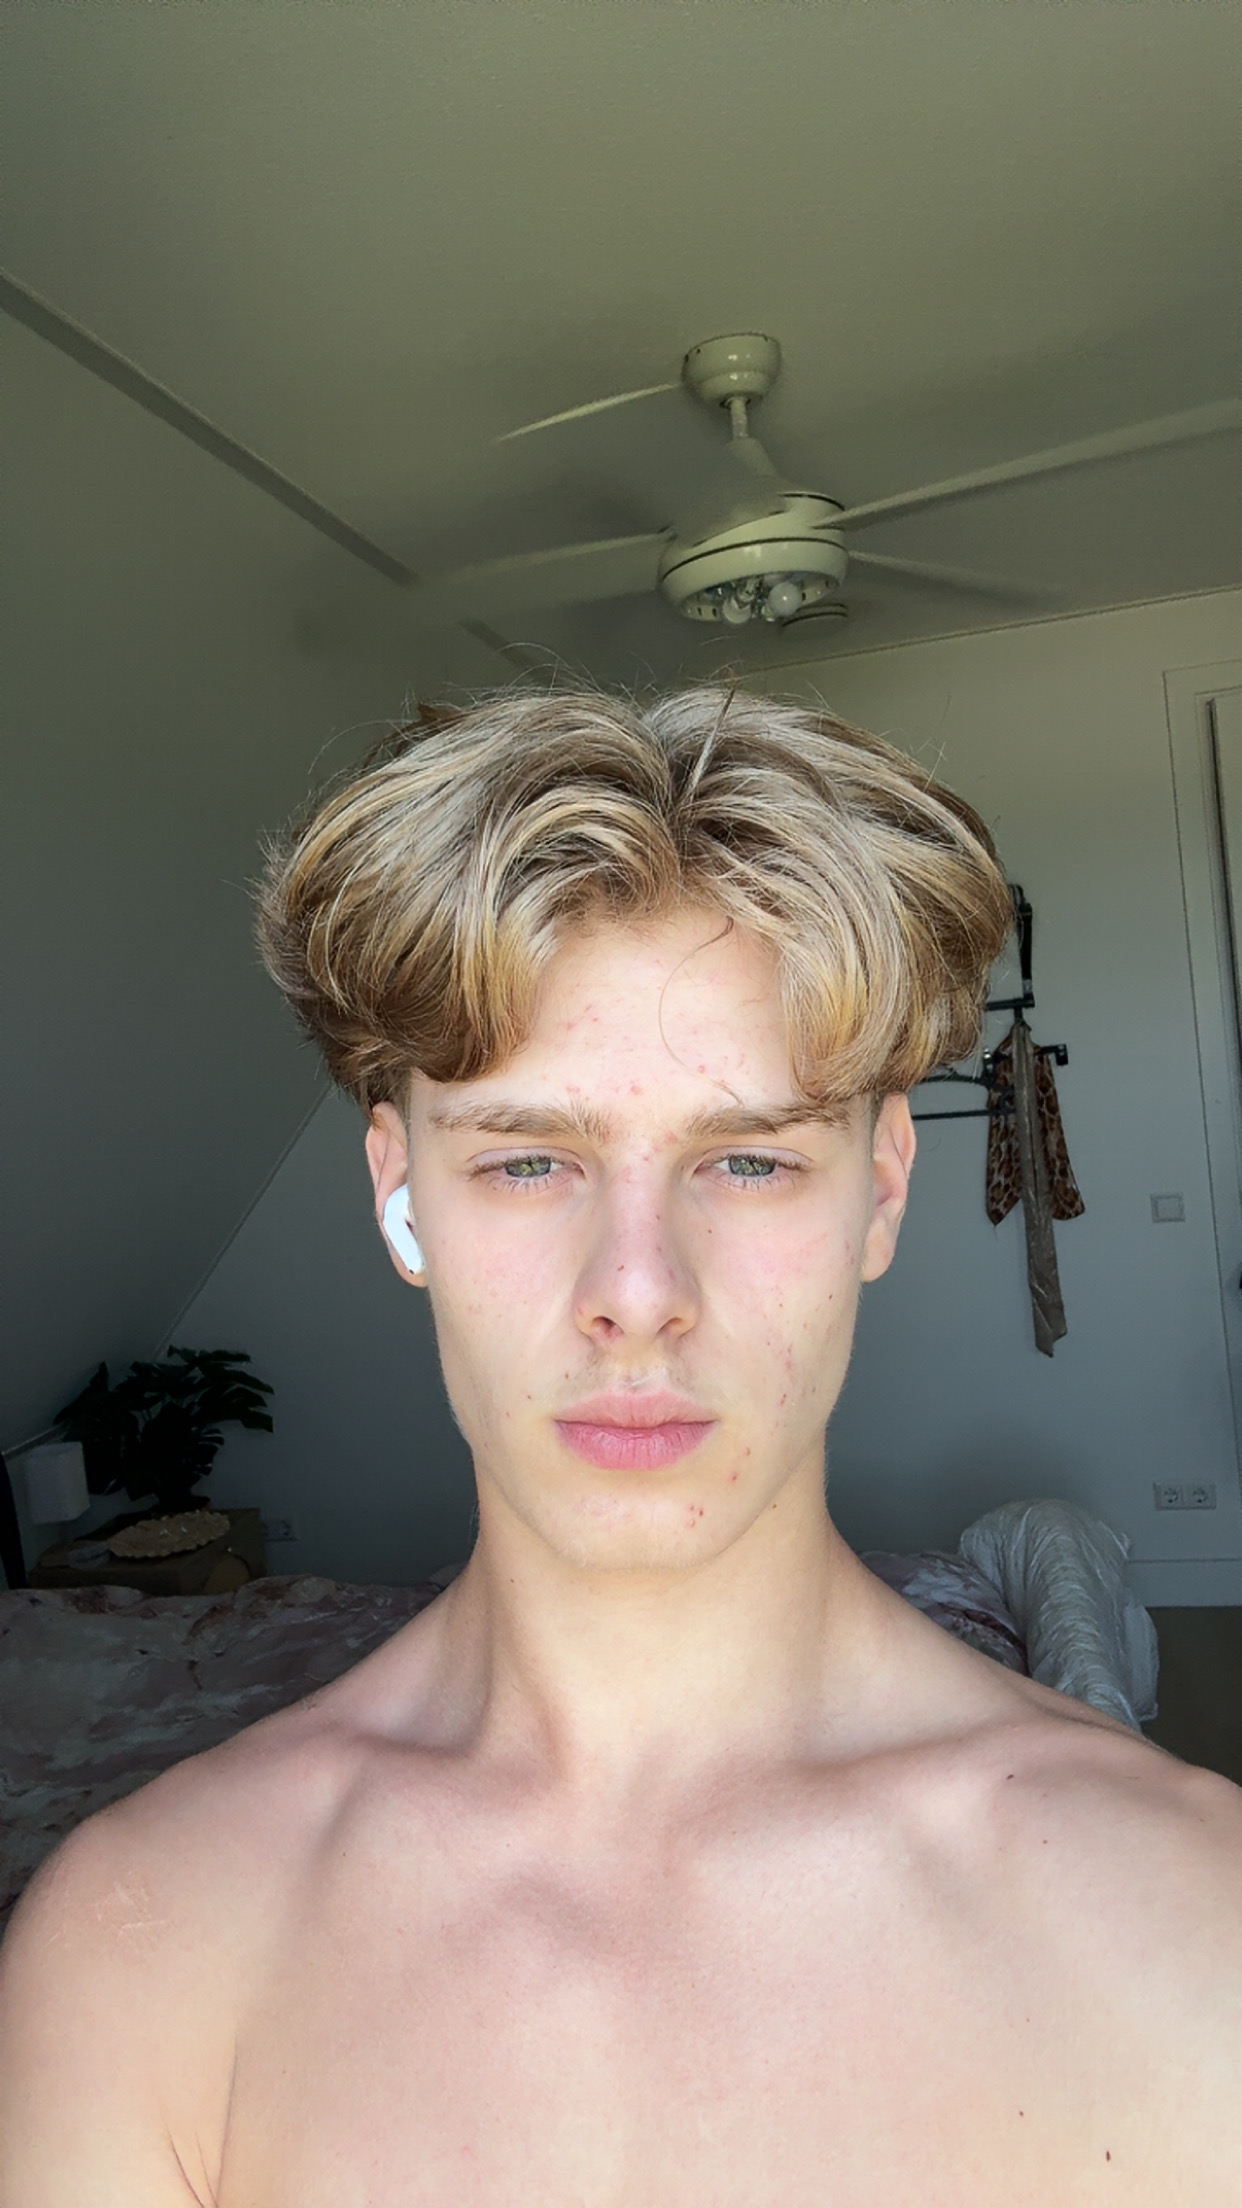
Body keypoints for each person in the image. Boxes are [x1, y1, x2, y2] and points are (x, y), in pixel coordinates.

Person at [2, 686, 1240, 2205]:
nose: (638, 1294)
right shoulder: (138, 1951)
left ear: (880, 1190)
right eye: (528, 1161)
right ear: (400, 1194)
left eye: (748, 1160)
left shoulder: (1192, 1927)